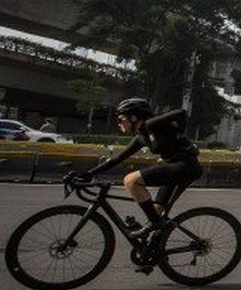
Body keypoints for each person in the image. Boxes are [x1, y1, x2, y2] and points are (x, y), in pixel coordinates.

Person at [71, 98, 202, 250]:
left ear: (133, 117)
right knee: (157, 210)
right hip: (175, 168)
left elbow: (181, 113)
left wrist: (179, 133)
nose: (119, 123)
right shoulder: (141, 137)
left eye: (121, 119)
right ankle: (154, 249)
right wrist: (89, 174)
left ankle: (156, 224)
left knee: (131, 180)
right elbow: (117, 158)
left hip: (186, 166)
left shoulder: (151, 124)